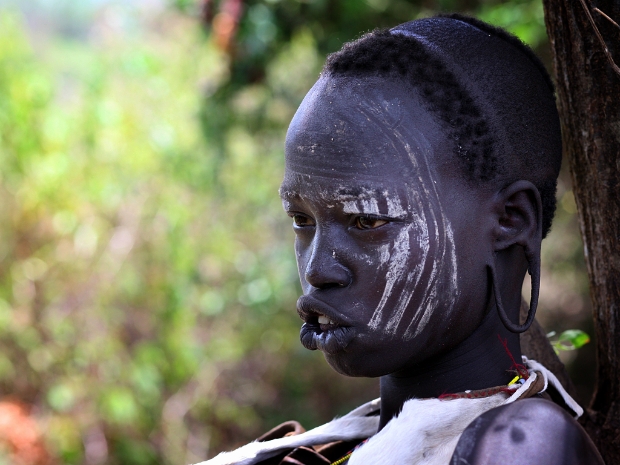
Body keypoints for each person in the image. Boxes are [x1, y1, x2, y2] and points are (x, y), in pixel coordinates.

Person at [197, 14, 604, 465]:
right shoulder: (328, 447)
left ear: (510, 219)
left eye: (366, 222)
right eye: (301, 219)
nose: (317, 269)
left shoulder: (522, 444)